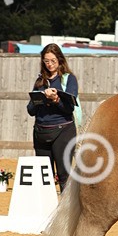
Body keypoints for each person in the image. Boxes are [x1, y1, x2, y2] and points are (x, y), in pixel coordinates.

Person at [26, 43, 79, 192]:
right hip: (41, 131)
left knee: (64, 175)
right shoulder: (40, 81)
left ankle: (67, 212)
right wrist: (40, 99)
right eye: (46, 61)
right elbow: (30, 110)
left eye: (53, 61)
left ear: (60, 60)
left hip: (63, 131)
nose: (49, 64)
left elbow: (69, 108)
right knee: (44, 176)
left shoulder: (69, 79)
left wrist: (56, 99)